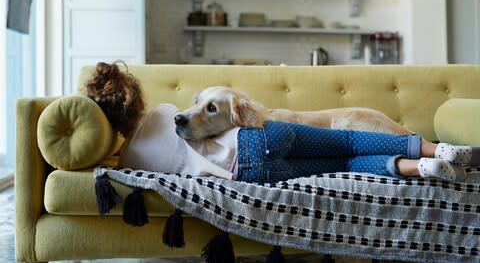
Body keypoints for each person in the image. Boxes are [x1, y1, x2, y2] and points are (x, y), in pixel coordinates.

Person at [84, 61, 478, 184]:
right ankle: (433, 150)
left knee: (345, 166)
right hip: (266, 137)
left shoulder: (130, 162)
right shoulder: (168, 113)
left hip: (253, 176)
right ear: (137, 97)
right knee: (350, 143)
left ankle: (421, 168)